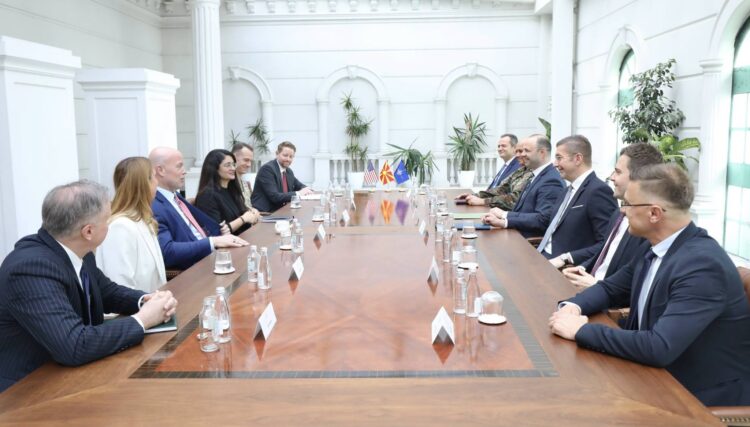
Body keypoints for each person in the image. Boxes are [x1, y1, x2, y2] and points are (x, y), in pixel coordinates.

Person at [549, 164, 750, 406]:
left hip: (695, 395)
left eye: (627, 204)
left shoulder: (702, 266)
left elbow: (659, 346)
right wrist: (573, 307)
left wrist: (581, 330)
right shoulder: (655, 245)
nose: (622, 211)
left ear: (654, 213)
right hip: (652, 374)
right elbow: (611, 288)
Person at [0, 180, 178, 392]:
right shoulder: (30, 269)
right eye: (107, 219)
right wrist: (143, 319)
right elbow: (74, 345)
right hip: (28, 390)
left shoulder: (75, 249)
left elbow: (107, 292)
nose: (110, 224)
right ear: (88, 232)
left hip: (71, 374)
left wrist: (145, 300)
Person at [562, 143, 662, 288]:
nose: (611, 177)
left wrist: (596, 285)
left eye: (618, 172)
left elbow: (634, 284)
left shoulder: (648, 225)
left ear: (638, 178)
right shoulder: (618, 214)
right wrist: (581, 269)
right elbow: (604, 253)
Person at [149, 147, 247, 271]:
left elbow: (197, 228)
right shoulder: (155, 205)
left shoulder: (175, 197)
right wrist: (213, 241)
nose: (184, 171)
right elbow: (167, 252)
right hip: (194, 269)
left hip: (212, 257)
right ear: (160, 170)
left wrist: (220, 233)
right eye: (179, 166)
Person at [540, 135, 618, 266]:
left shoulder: (598, 191)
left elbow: (607, 244)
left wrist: (567, 258)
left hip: (564, 267)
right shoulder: (567, 190)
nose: (555, 164)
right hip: (542, 255)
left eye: (559, 158)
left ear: (578, 159)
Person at [97, 157, 167, 293]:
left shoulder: (143, 219)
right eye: (153, 177)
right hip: (137, 305)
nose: (157, 182)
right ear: (143, 185)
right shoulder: (120, 227)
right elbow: (120, 284)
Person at [482, 134, 565, 237]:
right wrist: (501, 219)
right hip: (514, 233)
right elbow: (523, 211)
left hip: (525, 241)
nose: (522, 155)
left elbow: (543, 220)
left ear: (542, 153)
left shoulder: (551, 181)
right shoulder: (536, 174)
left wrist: (505, 216)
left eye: (527, 151)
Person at [195, 149, 260, 236]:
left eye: (233, 164)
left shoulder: (232, 190)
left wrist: (252, 213)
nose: (233, 168)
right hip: (228, 243)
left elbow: (243, 214)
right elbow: (216, 232)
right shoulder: (207, 196)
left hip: (244, 237)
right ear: (214, 168)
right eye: (227, 165)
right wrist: (243, 219)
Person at [455, 141, 533, 210]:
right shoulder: (521, 170)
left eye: (522, 151)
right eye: (517, 151)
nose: (518, 155)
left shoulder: (532, 172)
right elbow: (501, 189)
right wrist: (474, 196)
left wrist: (483, 201)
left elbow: (516, 198)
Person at [251, 141, 313, 213]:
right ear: (277, 154)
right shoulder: (267, 169)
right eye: (285, 155)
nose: (288, 159)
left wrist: (308, 190)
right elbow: (275, 197)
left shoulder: (288, 171)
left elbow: (299, 185)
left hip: (283, 210)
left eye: (291, 157)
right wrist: (298, 193)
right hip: (267, 213)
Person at [232, 142, 255, 208]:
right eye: (246, 160)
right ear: (233, 158)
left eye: (251, 161)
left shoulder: (246, 184)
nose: (249, 165)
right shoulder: (227, 184)